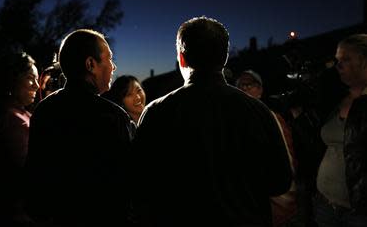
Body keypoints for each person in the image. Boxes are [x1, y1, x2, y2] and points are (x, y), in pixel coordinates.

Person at [132, 16, 292, 226]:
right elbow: (279, 181)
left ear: (181, 58)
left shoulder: (157, 112)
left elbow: (140, 182)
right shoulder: (257, 111)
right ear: (224, 58)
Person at [25, 29, 132, 227]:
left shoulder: (44, 110)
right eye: (109, 59)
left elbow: (35, 180)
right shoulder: (111, 116)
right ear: (91, 64)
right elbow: (127, 181)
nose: (114, 66)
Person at [0, 52, 39, 227]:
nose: (36, 86)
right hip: (14, 213)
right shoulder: (12, 119)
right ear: (11, 80)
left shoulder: (21, 113)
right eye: (30, 78)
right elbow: (30, 170)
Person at [313, 34, 367, 227]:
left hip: (357, 213)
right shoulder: (337, 98)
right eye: (337, 60)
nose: (338, 66)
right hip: (325, 203)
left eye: (345, 59)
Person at [236, 70, 302, 227]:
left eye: (250, 84)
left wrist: (285, 204)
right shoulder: (236, 122)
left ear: (260, 90)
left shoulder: (271, 118)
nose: (244, 88)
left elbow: (289, 161)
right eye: (241, 86)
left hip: (277, 209)